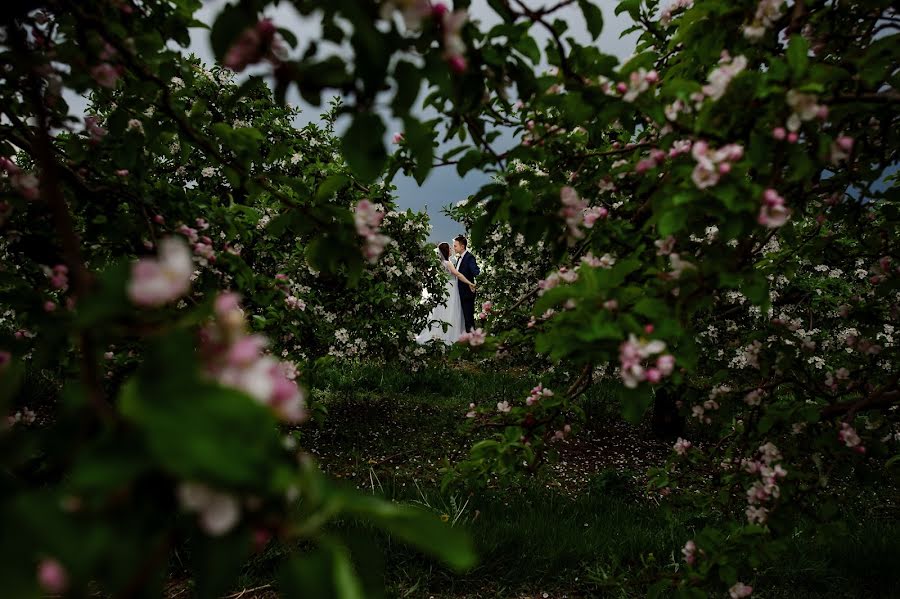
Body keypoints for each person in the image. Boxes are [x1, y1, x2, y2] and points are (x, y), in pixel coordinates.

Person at [415, 241, 477, 344]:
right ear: (446, 251)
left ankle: (439, 335)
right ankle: (450, 336)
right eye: (450, 248)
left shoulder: (439, 263)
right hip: (451, 290)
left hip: (444, 289)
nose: (451, 250)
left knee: (442, 312)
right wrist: (469, 282)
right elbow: (458, 274)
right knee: (451, 312)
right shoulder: (448, 263)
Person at [453, 235, 479, 333]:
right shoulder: (460, 258)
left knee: (469, 320)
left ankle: (473, 342)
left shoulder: (469, 257)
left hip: (467, 294)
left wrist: (472, 284)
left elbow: (476, 272)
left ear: (462, 246)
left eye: (455, 246)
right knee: (463, 320)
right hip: (460, 294)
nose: (454, 248)